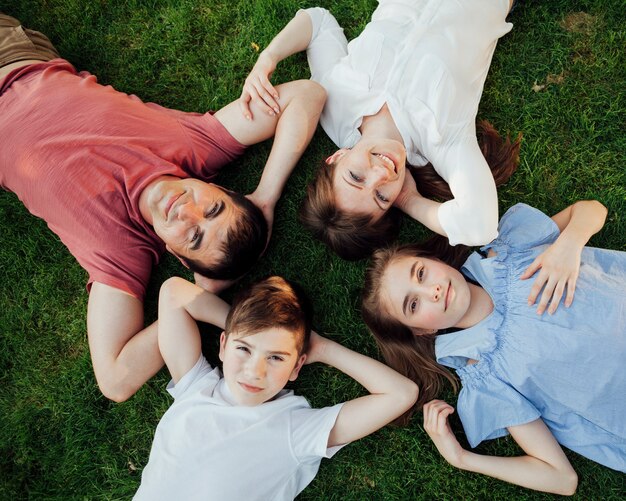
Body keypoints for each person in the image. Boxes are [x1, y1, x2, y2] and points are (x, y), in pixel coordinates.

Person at [0, 13, 326, 401]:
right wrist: (266, 196)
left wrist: (203, 296)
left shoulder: (120, 250)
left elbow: (116, 380)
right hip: (17, 55)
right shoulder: (195, 147)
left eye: (192, 237)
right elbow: (308, 94)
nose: (186, 211)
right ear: (216, 186)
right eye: (213, 209)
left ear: (175, 254)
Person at [361, 201, 626, 494]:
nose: (432, 291)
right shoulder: (486, 379)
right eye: (413, 304)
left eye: (421, 273)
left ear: (435, 261)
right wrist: (462, 458)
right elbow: (562, 479)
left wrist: (569, 245)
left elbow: (592, 210)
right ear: (423, 331)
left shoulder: (512, 249)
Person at [240, 0, 520, 260]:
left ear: (336, 158)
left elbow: (318, 22)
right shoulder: (443, 140)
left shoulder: (333, 103)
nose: (381, 174)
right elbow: (479, 226)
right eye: (382, 197)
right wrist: (410, 201)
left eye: (356, 177)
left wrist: (267, 59)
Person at [134, 275, 418, 500]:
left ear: (297, 367)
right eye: (243, 349)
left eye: (275, 357)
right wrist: (246, 325)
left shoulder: (294, 428)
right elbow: (173, 293)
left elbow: (401, 394)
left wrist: (325, 350)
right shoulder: (196, 388)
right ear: (223, 345)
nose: (254, 371)